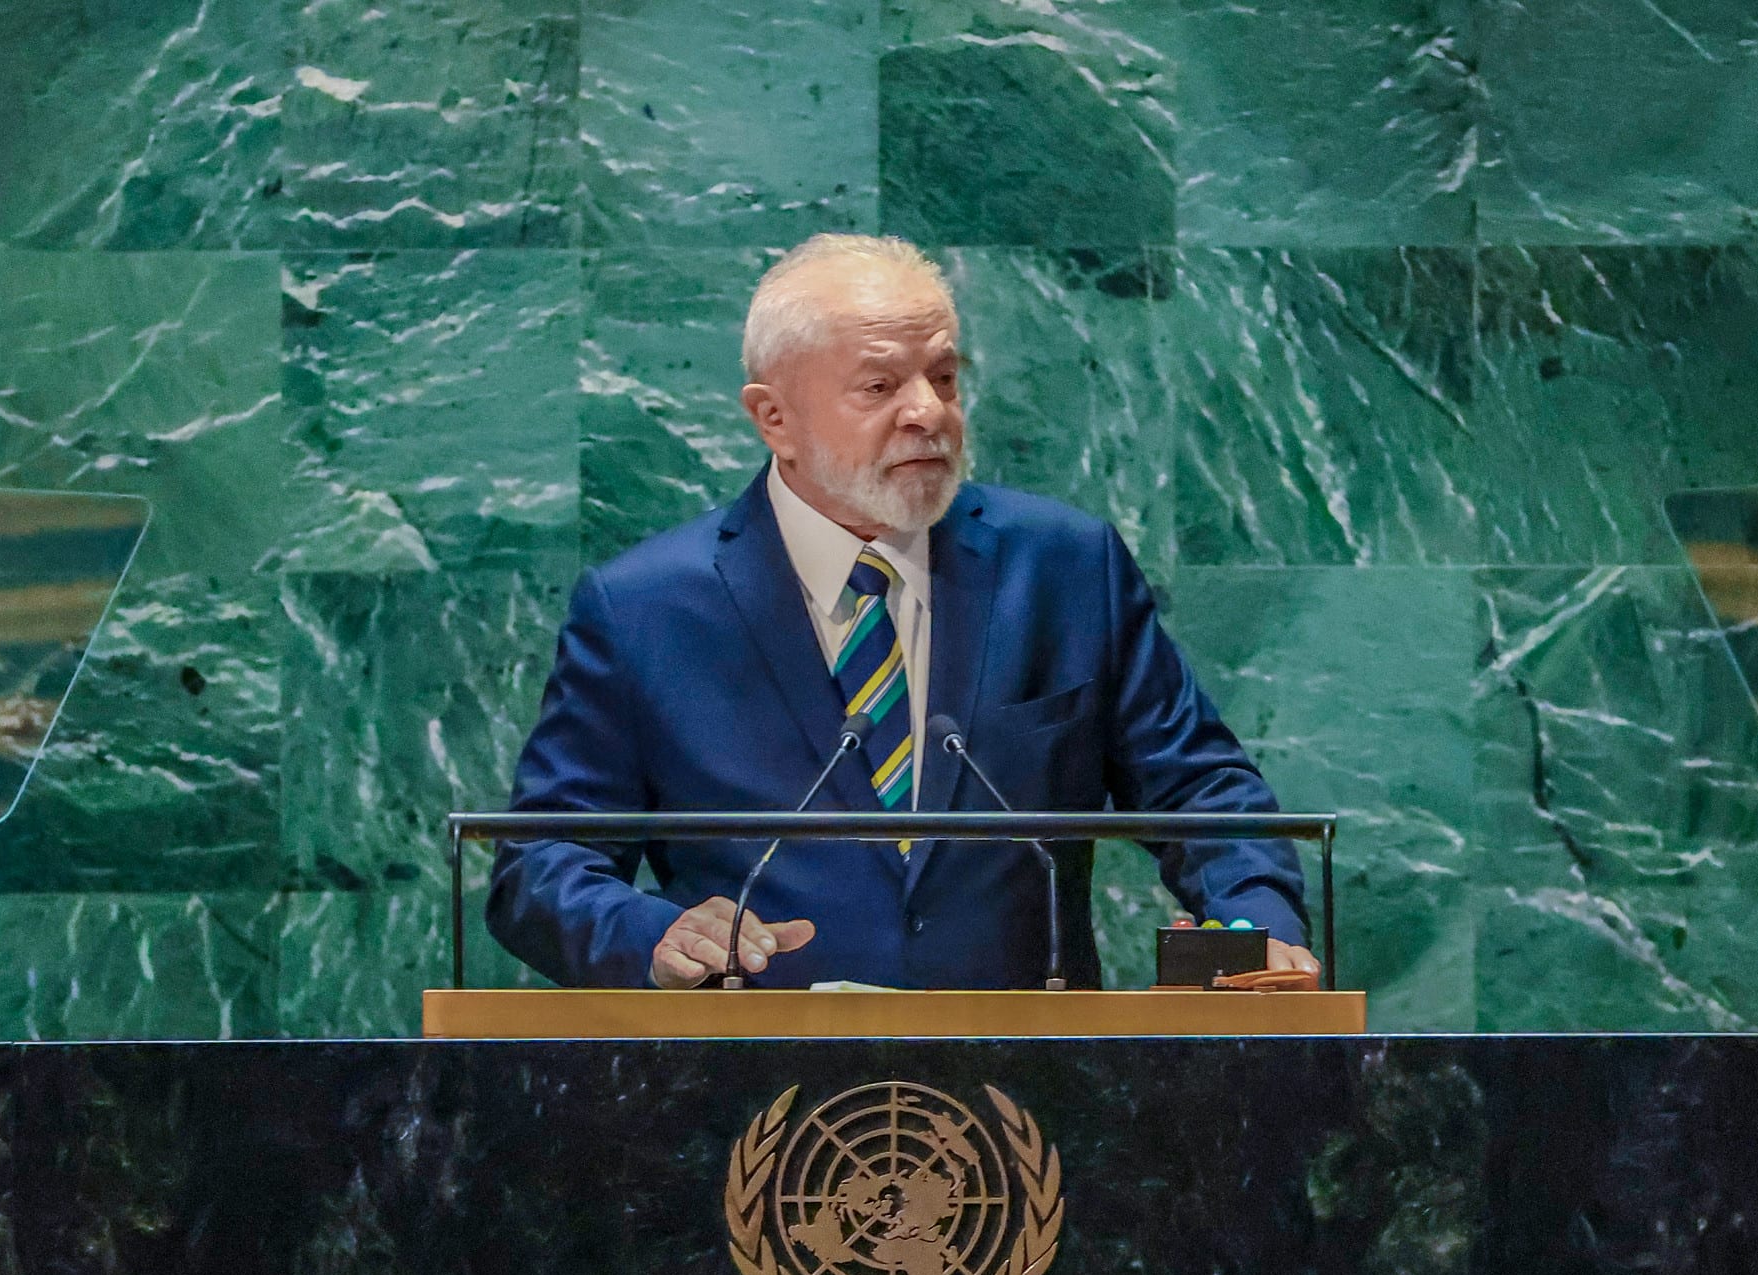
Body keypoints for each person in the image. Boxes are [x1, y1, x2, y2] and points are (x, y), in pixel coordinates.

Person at [488, 234, 1316, 989]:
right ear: (774, 418)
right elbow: (542, 864)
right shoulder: (643, 609)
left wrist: (1257, 927)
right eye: (881, 385)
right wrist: (658, 933)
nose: (928, 411)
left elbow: (1204, 791)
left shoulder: (1064, 568)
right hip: (748, 1094)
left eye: (944, 377)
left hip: (1034, 1090)